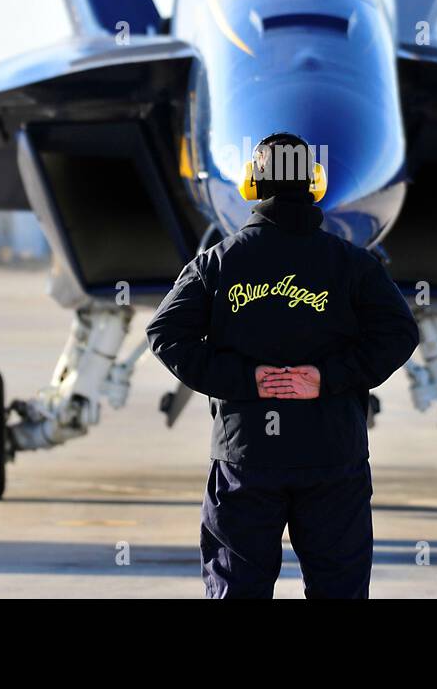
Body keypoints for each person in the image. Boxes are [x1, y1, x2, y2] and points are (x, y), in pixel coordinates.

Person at [146, 132, 419, 598]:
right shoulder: (354, 264)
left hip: (245, 458)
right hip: (333, 455)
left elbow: (164, 334)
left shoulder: (216, 263)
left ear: (251, 185)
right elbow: (400, 334)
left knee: (237, 589)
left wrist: (245, 380)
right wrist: (326, 378)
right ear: (315, 184)